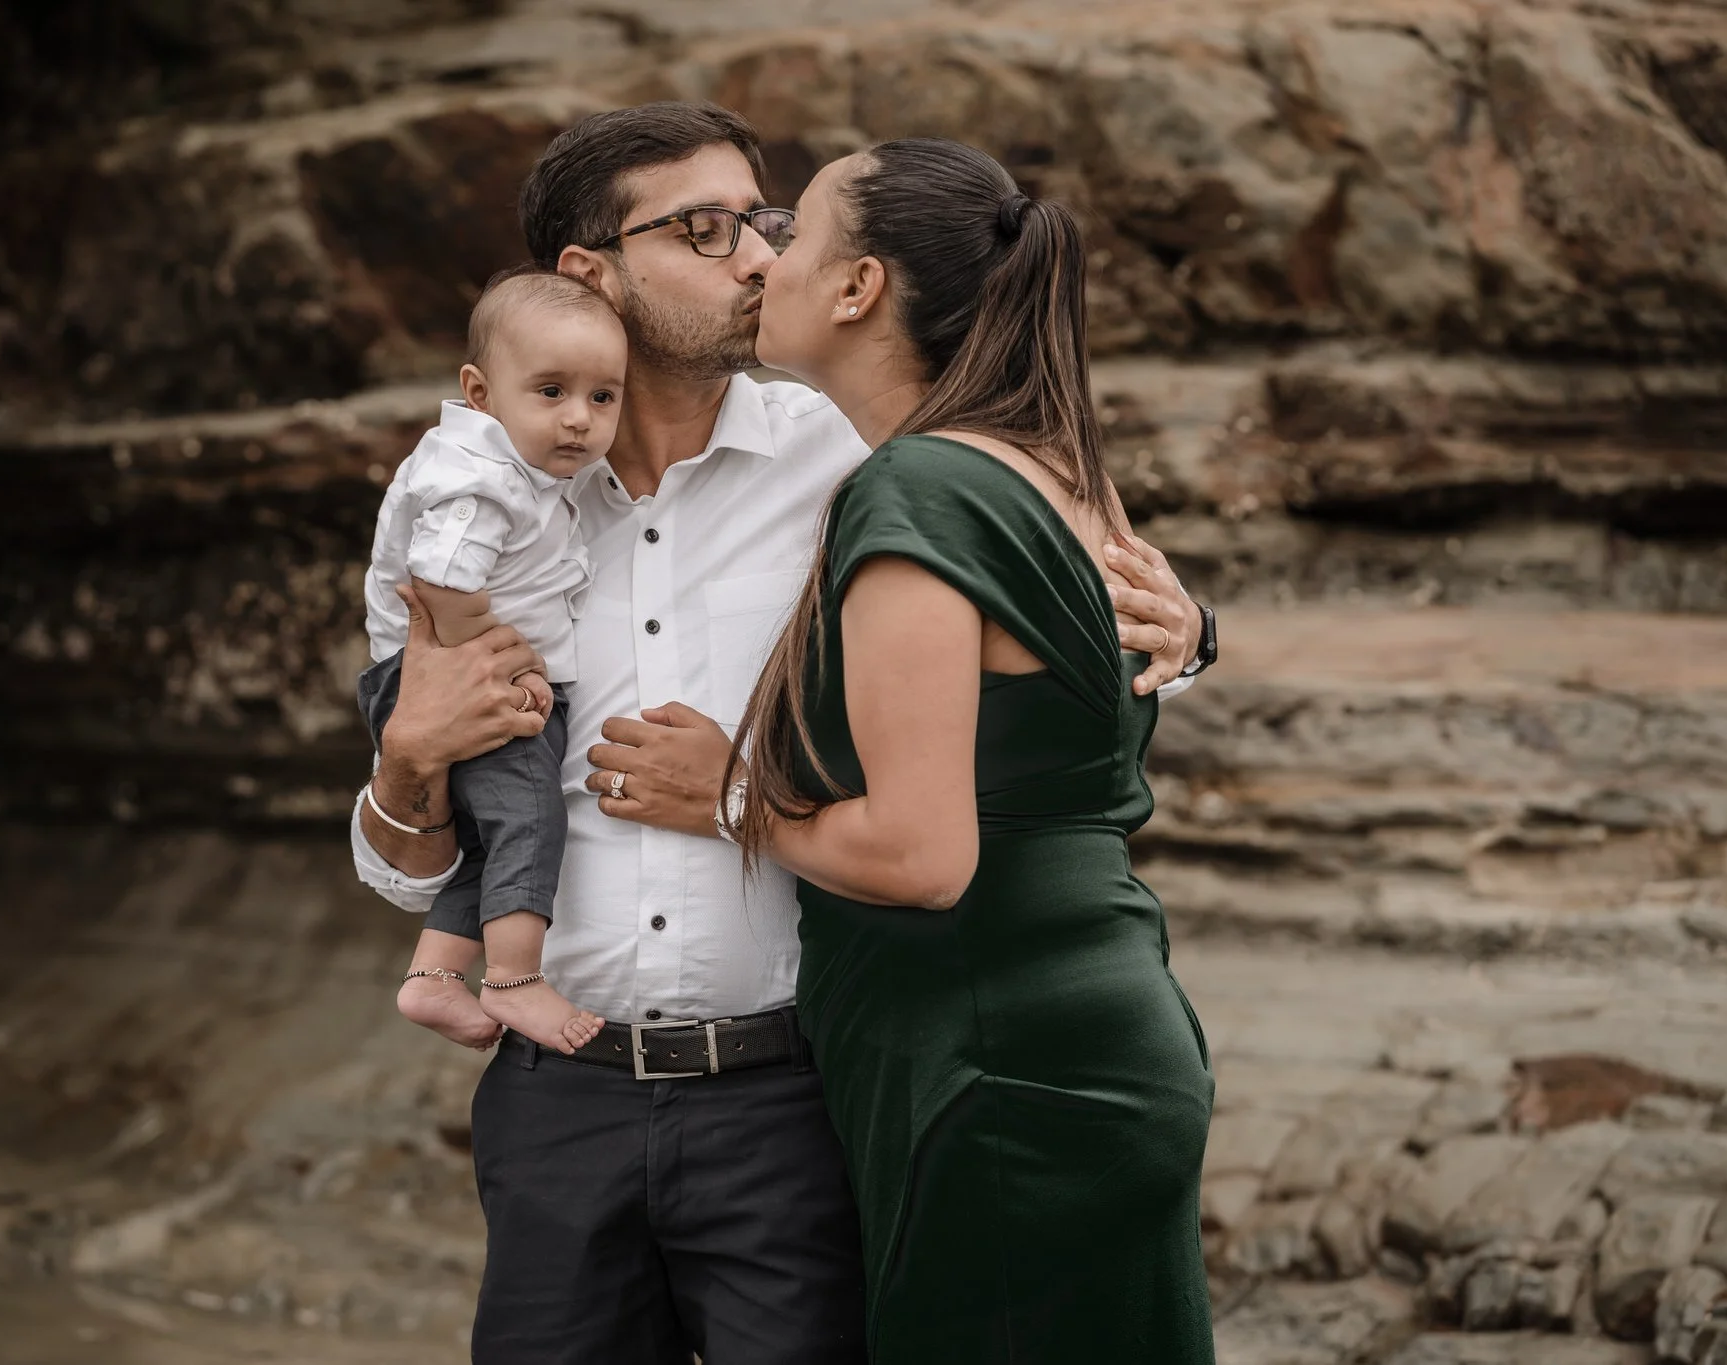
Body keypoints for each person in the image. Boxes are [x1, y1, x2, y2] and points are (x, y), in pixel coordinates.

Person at [349, 103, 1213, 1365]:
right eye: (703, 230)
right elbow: (413, 859)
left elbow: (1046, 581)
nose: (755, 257)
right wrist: (406, 762)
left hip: (793, 1096)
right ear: (586, 271)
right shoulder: (474, 505)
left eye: (763, 223)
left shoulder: (851, 457)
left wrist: (1183, 635)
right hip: (556, 1101)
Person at [723, 138, 1218, 1363]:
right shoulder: (1053, 467)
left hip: (994, 1064)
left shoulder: (918, 492)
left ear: (857, 288)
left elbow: (921, 854)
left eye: (791, 231)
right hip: (1087, 1025)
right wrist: (1202, 636)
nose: (760, 256)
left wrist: (728, 801)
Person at [358, 268, 620, 1057]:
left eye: (603, 397)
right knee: (533, 820)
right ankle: (512, 980)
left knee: (496, 835)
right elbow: (440, 578)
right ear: (479, 391)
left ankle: (435, 976)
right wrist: (501, 664)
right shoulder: (478, 479)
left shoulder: (528, 468)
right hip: (460, 679)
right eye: (550, 391)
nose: (579, 418)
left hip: (478, 676)